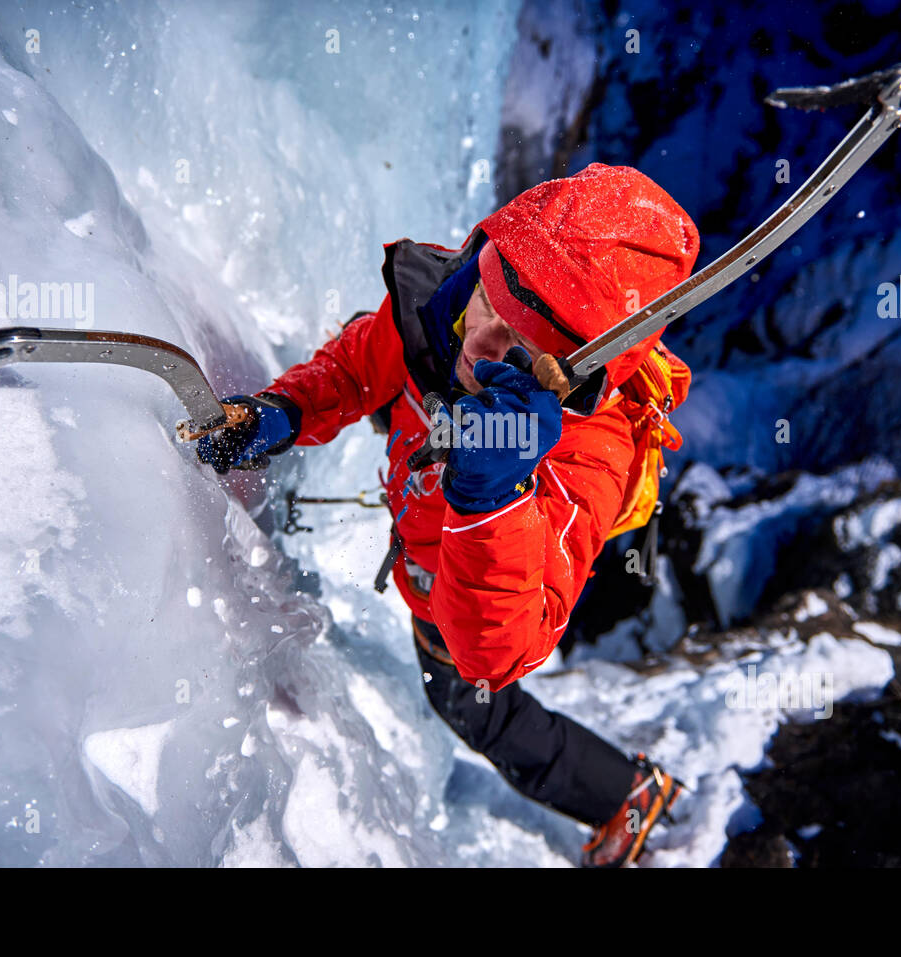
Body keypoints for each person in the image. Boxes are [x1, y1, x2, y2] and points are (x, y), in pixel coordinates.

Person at [199, 163, 700, 867]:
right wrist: (283, 411)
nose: (480, 342)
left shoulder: (588, 456)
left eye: (519, 348)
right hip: (426, 554)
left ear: (576, 368)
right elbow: (357, 366)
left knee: (476, 709)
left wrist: (491, 497)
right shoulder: (445, 307)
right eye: (488, 302)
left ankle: (626, 791)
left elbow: (497, 651)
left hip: (459, 610)